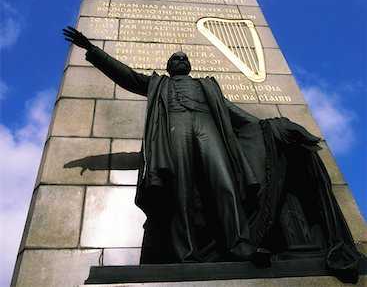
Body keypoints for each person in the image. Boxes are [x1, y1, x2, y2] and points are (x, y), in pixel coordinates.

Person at [63, 26, 362, 281]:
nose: (180, 59)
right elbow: (125, 76)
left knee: (225, 183)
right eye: (175, 58)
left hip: (207, 128)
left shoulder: (209, 88)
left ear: (189, 66)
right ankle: (186, 254)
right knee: (180, 192)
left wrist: (273, 128)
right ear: (169, 67)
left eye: (183, 57)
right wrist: (92, 50)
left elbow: (236, 114)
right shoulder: (156, 84)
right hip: (175, 132)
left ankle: (240, 244)